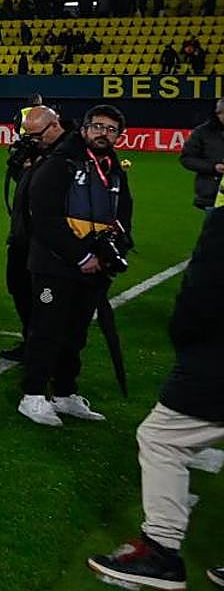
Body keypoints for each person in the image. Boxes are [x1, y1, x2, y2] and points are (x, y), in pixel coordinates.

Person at [85, 206, 224, 589]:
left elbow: (201, 298)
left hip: (214, 364)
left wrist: (188, 345)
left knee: (162, 438)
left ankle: (161, 551)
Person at [19, 104, 134, 427]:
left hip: (94, 267)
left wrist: (115, 250)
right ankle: (33, 395)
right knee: (46, 330)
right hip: (54, 265)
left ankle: (66, 392)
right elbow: (44, 217)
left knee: (75, 333)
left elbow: (123, 212)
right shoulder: (60, 163)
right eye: (98, 126)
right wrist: (81, 256)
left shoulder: (112, 168)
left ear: (118, 136)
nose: (103, 133)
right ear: (84, 128)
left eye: (111, 130)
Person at [1, 105, 68, 362]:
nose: (34, 141)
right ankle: (30, 341)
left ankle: (50, 349)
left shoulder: (68, 153)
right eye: (29, 136)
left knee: (46, 298)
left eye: (37, 136)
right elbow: (27, 187)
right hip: (21, 237)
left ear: (54, 126)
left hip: (48, 245)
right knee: (18, 289)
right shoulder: (36, 151)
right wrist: (22, 166)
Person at [179, 97, 224, 212]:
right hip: (212, 195)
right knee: (215, 229)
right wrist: (213, 167)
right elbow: (186, 158)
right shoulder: (202, 132)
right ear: (218, 114)